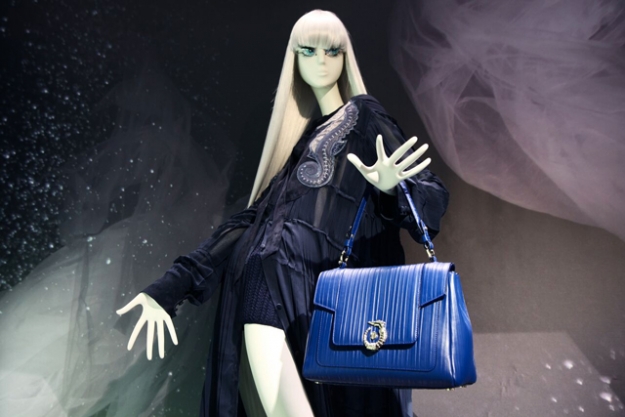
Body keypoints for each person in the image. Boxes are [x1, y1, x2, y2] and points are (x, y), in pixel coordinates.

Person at [117, 10, 449, 417]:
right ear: (294, 59)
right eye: (308, 51)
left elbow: (430, 197)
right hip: (266, 283)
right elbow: (247, 223)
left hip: (322, 297)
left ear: (346, 58)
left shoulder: (365, 115)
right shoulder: (301, 144)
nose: (321, 61)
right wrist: (170, 286)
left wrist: (391, 189)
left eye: (332, 51)